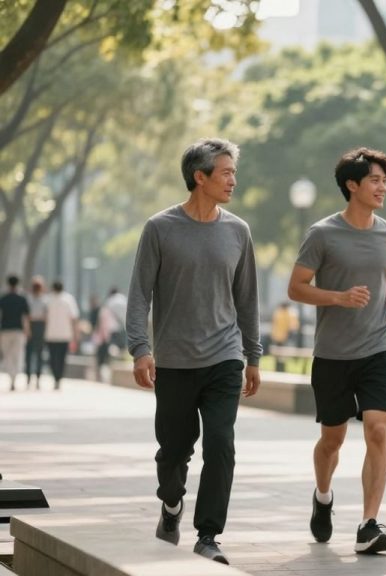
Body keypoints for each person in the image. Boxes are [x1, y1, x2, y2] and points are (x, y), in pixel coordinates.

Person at [127, 137, 262, 565]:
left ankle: (208, 535)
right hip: (174, 360)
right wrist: (140, 349)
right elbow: (139, 294)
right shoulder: (160, 228)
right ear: (199, 177)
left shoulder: (238, 231)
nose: (233, 181)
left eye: (234, 172)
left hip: (224, 357)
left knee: (221, 443)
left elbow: (247, 299)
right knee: (174, 449)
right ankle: (171, 504)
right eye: (225, 173)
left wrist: (253, 355)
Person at [288, 147, 386, 554]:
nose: (383, 187)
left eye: (385, 181)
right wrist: (338, 298)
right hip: (333, 354)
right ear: (352, 185)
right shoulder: (322, 233)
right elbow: (296, 287)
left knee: (377, 429)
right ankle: (323, 496)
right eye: (375, 180)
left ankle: (368, 524)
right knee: (332, 440)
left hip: (379, 346)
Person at [43, 280, 78, 391]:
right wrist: (75, 335)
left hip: (51, 334)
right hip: (65, 334)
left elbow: (44, 317)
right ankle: (59, 378)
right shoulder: (69, 299)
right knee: (62, 358)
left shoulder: (48, 299)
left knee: (52, 358)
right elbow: (74, 318)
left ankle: (55, 377)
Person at [0, 275, 31, 391]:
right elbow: (25, 317)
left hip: (5, 330)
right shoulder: (22, 299)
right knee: (17, 355)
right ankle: (14, 378)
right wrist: (27, 331)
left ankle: (10, 376)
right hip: (18, 331)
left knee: (7, 354)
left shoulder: (3, 299)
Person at [24, 276, 47, 389]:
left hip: (39, 325)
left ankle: (37, 377)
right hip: (33, 325)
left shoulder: (44, 300)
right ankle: (29, 376)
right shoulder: (29, 299)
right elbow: (26, 315)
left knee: (38, 354)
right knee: (30, 354)